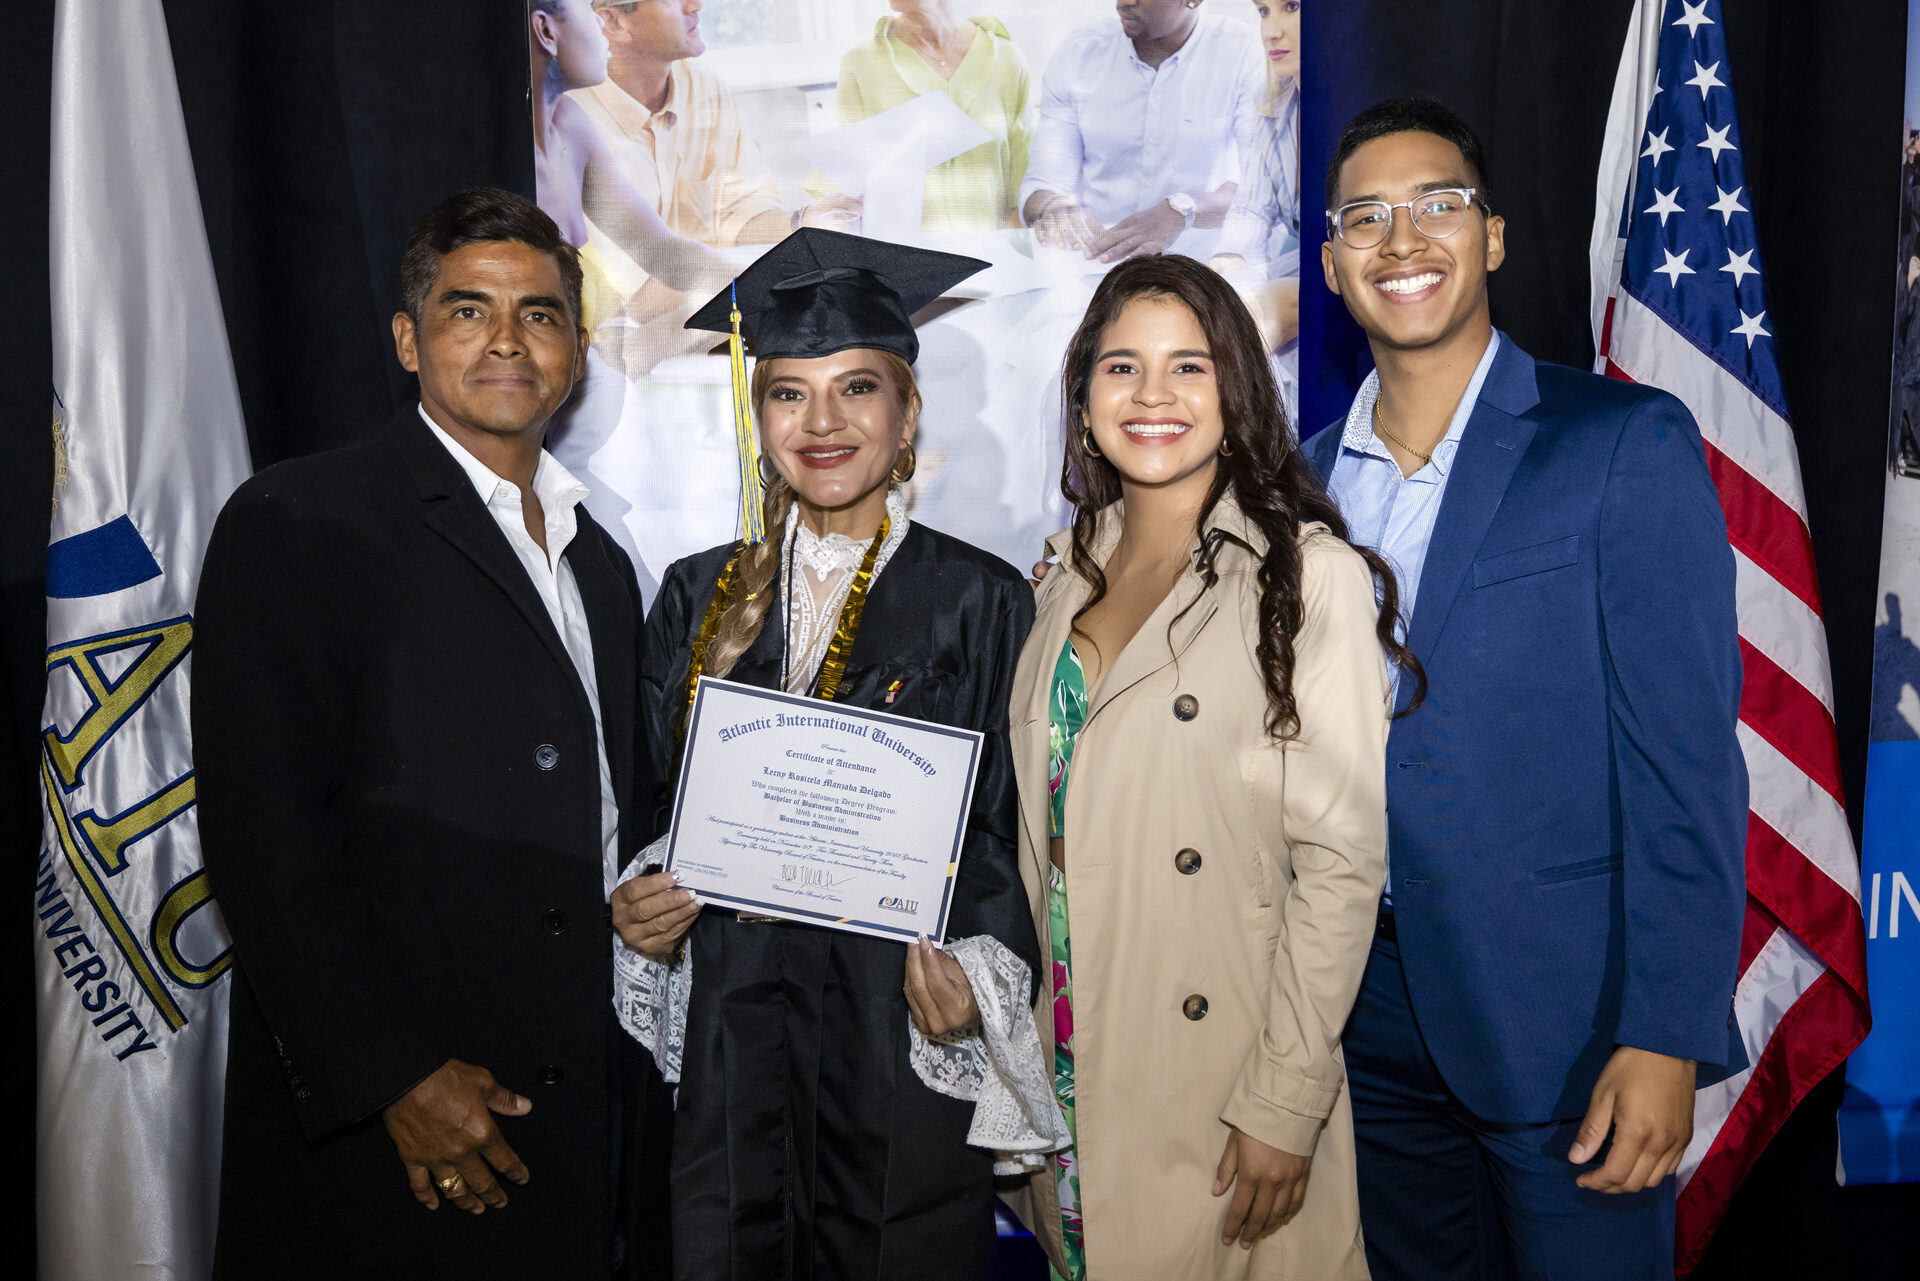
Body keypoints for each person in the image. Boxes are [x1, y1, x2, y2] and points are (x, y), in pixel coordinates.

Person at [1307, 98, 1747, 1280]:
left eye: (1438, 204)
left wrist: (1667, 1030)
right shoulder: (1299, 486)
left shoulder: (1619, 442)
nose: (1403, 240)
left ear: (1492, 237)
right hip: (1360, 1018)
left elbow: (1686, 766)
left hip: (1568, 1021)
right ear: (1333, 264)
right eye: (1366, 218)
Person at [193, 189, 650, 1277]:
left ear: (577, 352)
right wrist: (393, 1074)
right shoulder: (300, 520)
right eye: (467, 309)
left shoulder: (601, 560)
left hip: (580, 1101)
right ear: (408, 340)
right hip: (400, 1121)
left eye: (540, 313)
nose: (507, 339)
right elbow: (264, 841)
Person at [611, 229, 1062, 1280]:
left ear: (907, 415)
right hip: (735, 1025)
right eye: (789, 393)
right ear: (758, 414)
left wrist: (977, 978)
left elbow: (1010, 832)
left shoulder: (981, 600)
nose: (822, 423)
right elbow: (655, 805)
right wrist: (640, 907)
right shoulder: (696, 595)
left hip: (892, 1025)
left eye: (858, 388)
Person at [1010, 253, 1407, 1279]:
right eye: (1122, 367)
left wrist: (1285, 1098)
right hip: (1071, 1060)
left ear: (1236, 391)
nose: (1153, 395)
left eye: (1189, 366)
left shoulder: (1305, 576)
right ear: (1084, 397)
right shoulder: (1058, 579)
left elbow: (1341, 864)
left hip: (1225, 1078)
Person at [529, 0, 734, 329]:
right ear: (545, 31)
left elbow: (661, 250)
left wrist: (756, 284)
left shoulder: (571, 125)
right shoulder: (500, 162)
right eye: (587, 8)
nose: (601, 23)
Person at [1019, 0, 1262, 263]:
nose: (1125, 2)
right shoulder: (1079, 53)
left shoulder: (1246, 53)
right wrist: (1053, 207)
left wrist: (1182, 211)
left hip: (1202, 268)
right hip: (1097, 266)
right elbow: (1043, 181)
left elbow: (1260, 192)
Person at [821, 0, 1033, 234]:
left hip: (995, 251)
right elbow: (848, 193)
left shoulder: (1007, 59)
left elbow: (1023, 188)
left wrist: (1002, 251)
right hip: (902, 253)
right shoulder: (860, 63)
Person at [1211, 0, 1301, 420]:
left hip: (1342, 275)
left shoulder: (1355, 106)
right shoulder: (1273, 103)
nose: (1272, 31)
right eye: (1264, 12)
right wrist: (1227, 262)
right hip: (1290, 268)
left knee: (1255, 320)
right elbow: (1251, 208)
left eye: (1291, 7)